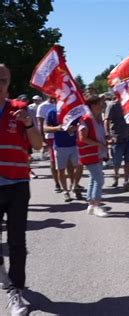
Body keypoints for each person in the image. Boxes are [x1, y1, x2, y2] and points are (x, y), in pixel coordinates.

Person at [0, 64, 42, 316]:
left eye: (2, 80)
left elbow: (37, 145)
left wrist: (28, 125)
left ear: (9, 82)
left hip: (16, 184)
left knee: (17, 242)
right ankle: (5, 280)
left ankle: (15, 290)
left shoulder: (20, 110)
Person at [78, 95, 109, 217]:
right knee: (99, 179)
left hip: (97, 153)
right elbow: (83, 138)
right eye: (100, 103)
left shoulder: (96, 119)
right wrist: (99, 144)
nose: (102, 106)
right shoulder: (86, 119)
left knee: (93, 178)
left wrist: (105, 140)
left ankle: (91, 204)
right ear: (93, 105)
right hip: (90, 153)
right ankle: (96, 205)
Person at [43, 109, 83, 202]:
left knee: (79, 166)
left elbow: (82, 123)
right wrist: (58, 128)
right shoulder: (52, 112)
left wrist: (76, 128)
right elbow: (45, 128)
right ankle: (65, 191)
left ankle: (75, 186)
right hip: (60, 145)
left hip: (74, 144)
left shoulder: (74, 110)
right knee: (61, 169)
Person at [104, 99, 129, 191]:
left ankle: (126, 182)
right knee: (116, 162)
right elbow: (106, 121)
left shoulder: (128, 103)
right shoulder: (112, 105)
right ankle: (116, 175)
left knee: (128, 161)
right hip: (117, 138)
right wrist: (108, 135)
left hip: (128, 137)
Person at [36, 97, 61, 191]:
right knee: (54, 160)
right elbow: (40, 124)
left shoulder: (63, 102)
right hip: (51, 136)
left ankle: (72, 184)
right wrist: (42, 139)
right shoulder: (43, 106)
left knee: (69, 161)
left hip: (65, 135)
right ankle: (57, 183)